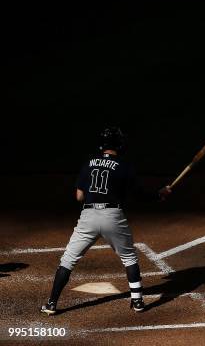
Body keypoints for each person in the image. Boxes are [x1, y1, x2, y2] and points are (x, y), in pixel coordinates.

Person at [40, 127, 172, 315]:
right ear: (120, 144)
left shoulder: (89, 163)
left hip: (88, 217)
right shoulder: (124, 165)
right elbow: (139, 194)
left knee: (68, 260)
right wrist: (159, 195)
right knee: (129, 258)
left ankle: (51, 304)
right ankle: (138, 301)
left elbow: (79, 196)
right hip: (113, 216)